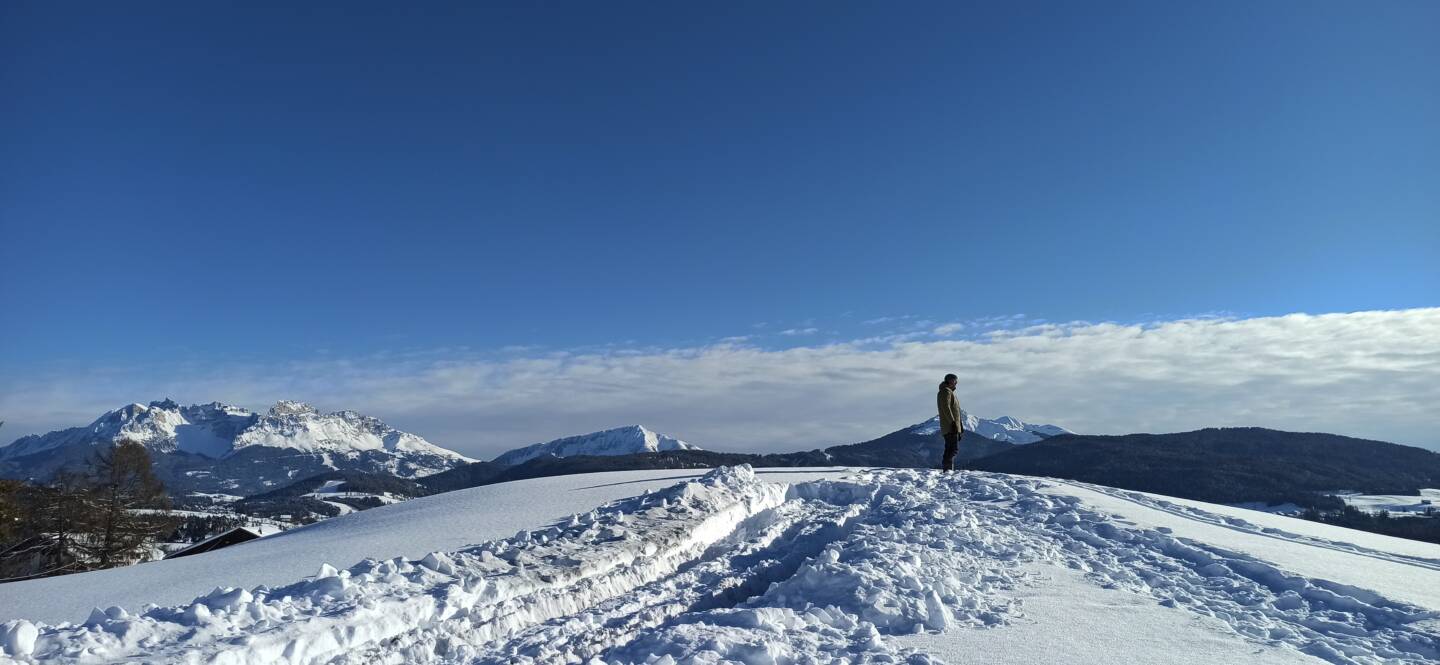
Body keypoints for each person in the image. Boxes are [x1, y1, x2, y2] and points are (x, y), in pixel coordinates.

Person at [937, 373, 964, 471]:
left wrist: (960, 426)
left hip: (952, 427)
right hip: (950, 427)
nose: (956, 383)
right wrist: (953, 423)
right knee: (952, 450)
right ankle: (947, 471)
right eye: (955, 381)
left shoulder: (949, 392)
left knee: (950, 449)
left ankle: (947, 470)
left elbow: (955, 411)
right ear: (951, 381)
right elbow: (946, 408)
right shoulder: (946, 392)